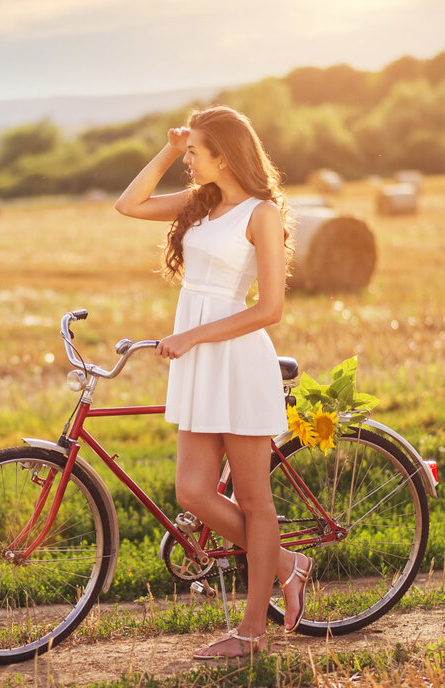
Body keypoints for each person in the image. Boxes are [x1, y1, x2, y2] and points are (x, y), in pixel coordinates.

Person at [114, 106, 311, 659]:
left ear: (224, 154)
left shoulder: (261, 213)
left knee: (253, 498)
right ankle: (288, 565)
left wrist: (197, 337)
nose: (191, 159)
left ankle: (252, 632)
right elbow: (127, 205)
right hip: (199, 360)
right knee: (193, 492)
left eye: (198, 150)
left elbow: (269, 308)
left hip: (236, 360)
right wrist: (171, 148)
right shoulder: (200, 203)